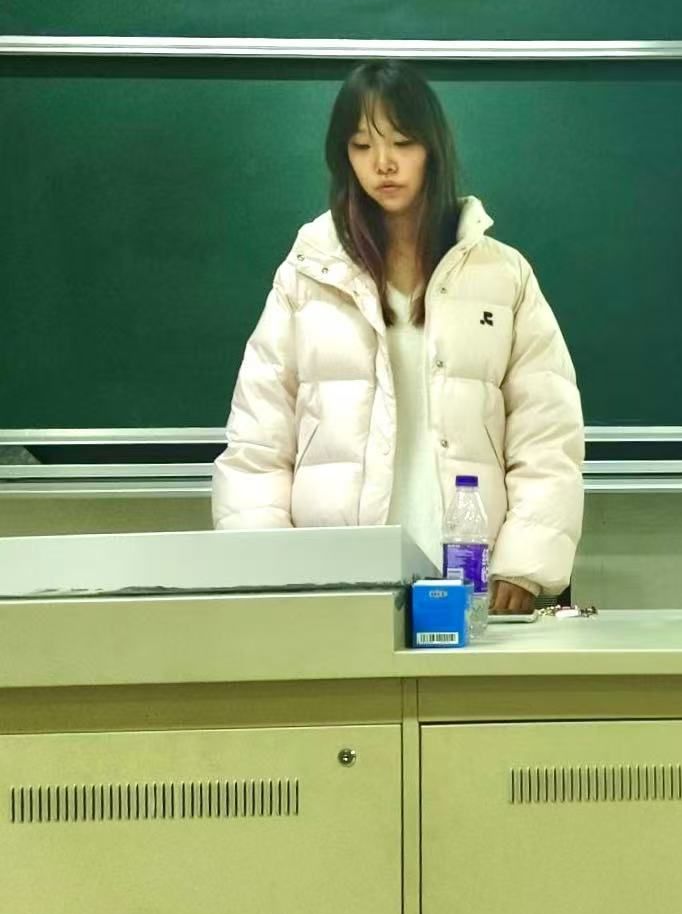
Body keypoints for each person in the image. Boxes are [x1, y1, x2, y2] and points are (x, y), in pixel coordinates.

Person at [212, 60, 583, 613]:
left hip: (471, 575)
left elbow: (546, 433)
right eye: (362, 146)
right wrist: (268, 573)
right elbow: (258, 441)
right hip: (335, 585)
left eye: (402, 142)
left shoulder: (501, 276)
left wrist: (525, 562)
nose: (383, 163)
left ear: (433, 147)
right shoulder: (307, 276)